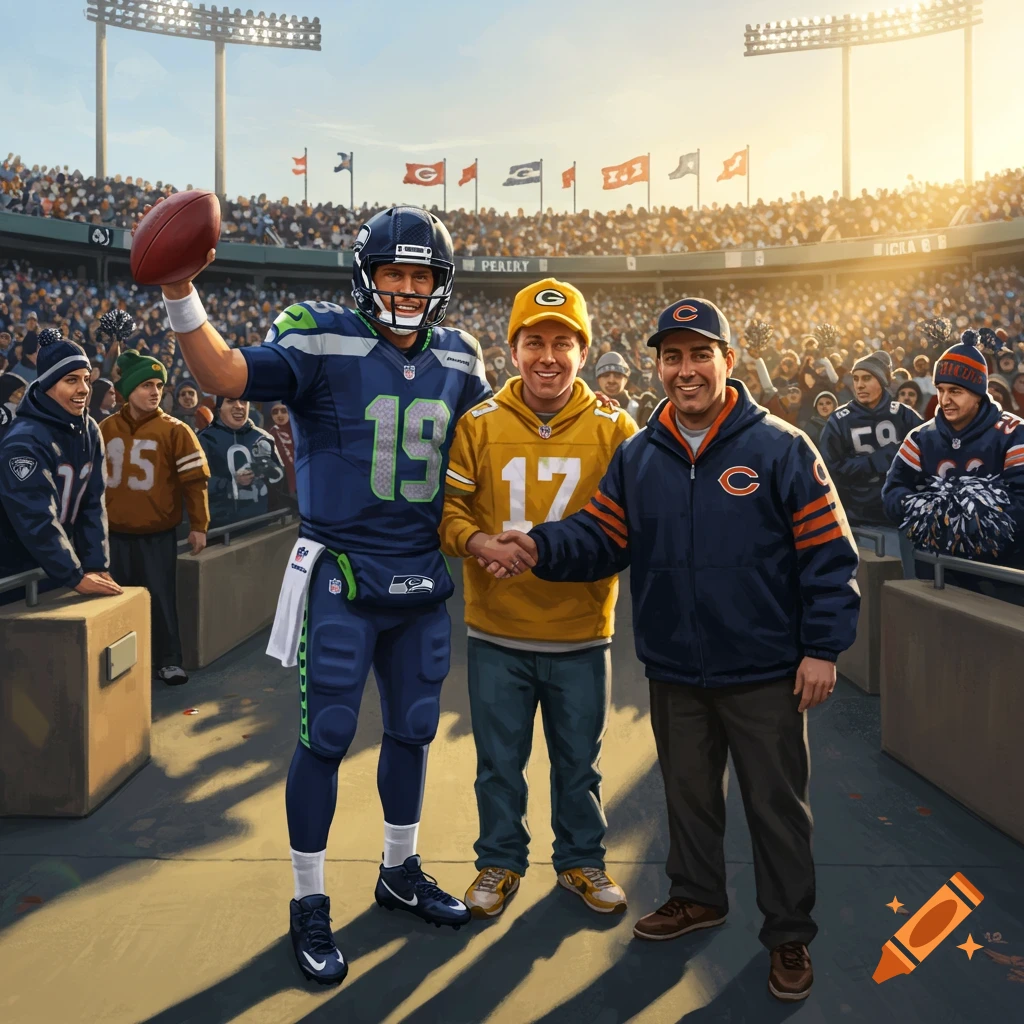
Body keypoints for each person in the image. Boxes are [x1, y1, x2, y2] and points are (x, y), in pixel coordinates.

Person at [151, 204, 492, 986]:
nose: (407, 289)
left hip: (418, 575)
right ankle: (309, 900)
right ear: (366, 276)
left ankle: (398, 870)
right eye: (394, 273)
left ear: (440, 284)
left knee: (411, 730)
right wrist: (179, 292)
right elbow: (225, 374)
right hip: (342, 571)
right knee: (328, 734)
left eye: (421, 275)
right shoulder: (320, 332)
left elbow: (490, 448)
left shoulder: (461, 355)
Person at [496, 298, 860, 1003]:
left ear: (728, 360)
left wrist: (823, 646)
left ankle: (789, 934)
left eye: (700, 355)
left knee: (775, 810)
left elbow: (827, 553)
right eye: (672, 357)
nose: (685, 370)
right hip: (675, 668)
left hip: (765, 671)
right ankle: (698, 896)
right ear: (656, 365)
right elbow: (601, 536)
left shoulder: (782, 446)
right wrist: (539, 545)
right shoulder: (639, 455)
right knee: (689, 799)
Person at [440, 279, 637, 920]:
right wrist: (476, 544)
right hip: (498, 629)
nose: (546, 357)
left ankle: (581, 860)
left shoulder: (616, 429)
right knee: (499, 763)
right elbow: (447, 511)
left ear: (583, 350)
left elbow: (637, 523)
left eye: (561, 342)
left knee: (579, 763)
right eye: (533, 342)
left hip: (581, 630)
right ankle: (499, 860)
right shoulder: (478, 424)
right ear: (513, 349)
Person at [100, 350, 210, 685]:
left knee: (161, 598)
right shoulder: (105, 428)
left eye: (159, 385)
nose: (155, 391)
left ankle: (168, 659)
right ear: (128, 389)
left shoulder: (176, 430)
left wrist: (199, 525)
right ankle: (122, 665)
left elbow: (195, 482)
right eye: (146, 384)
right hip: (114, 535)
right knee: (115, 604)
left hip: (157, 534)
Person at [883, 330, 1024, 585]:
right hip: (937, 574)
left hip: (1002, 577)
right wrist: (925, 511)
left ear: (978, 392)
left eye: (956, 391)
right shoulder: (920, 437)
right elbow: (892, 491)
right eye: (940, 389)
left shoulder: (1014, 433)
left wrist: (976, 521)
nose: (945, 400)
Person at [0, 330, 122, 604]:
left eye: (86, 380)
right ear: (47, 385)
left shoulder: (89, 428)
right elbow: (35, 516)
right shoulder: (24, 440)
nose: (83, 389)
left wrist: (96, 565)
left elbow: (92, 502)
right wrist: (75, 575)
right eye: (71, 380)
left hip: (59, 568)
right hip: (16, 574)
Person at [818, 349, 921, 557]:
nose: (859, 385)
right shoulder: (840, 420)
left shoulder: (904, 415)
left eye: (867, 378)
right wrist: (874, 462)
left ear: (882, 381)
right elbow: (829, 472)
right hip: (860, 520)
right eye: (855, 379)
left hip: (904, 517)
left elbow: (928, 459)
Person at [199, 396, 287, 528]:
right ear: (219, 408)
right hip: (221, 530)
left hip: (263, 523)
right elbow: (196, 484)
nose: (239, 406)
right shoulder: (204, 439)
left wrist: (270, 471)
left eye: (244, 401)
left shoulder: (263, 438)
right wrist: (231, 483)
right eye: (230, 401)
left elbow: (281, 482)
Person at [594, 350, 639, 419]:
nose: (611, 380)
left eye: (617, 375)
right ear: (598, 380)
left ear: (626, 379)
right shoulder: (588, 407)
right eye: (606, 375)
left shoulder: (638, 409)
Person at [268, 401, 297, 497]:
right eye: (275, 412)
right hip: (289, 483)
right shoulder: (273, 433)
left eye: (284, 411)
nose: (279, 415)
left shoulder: (298, 429)